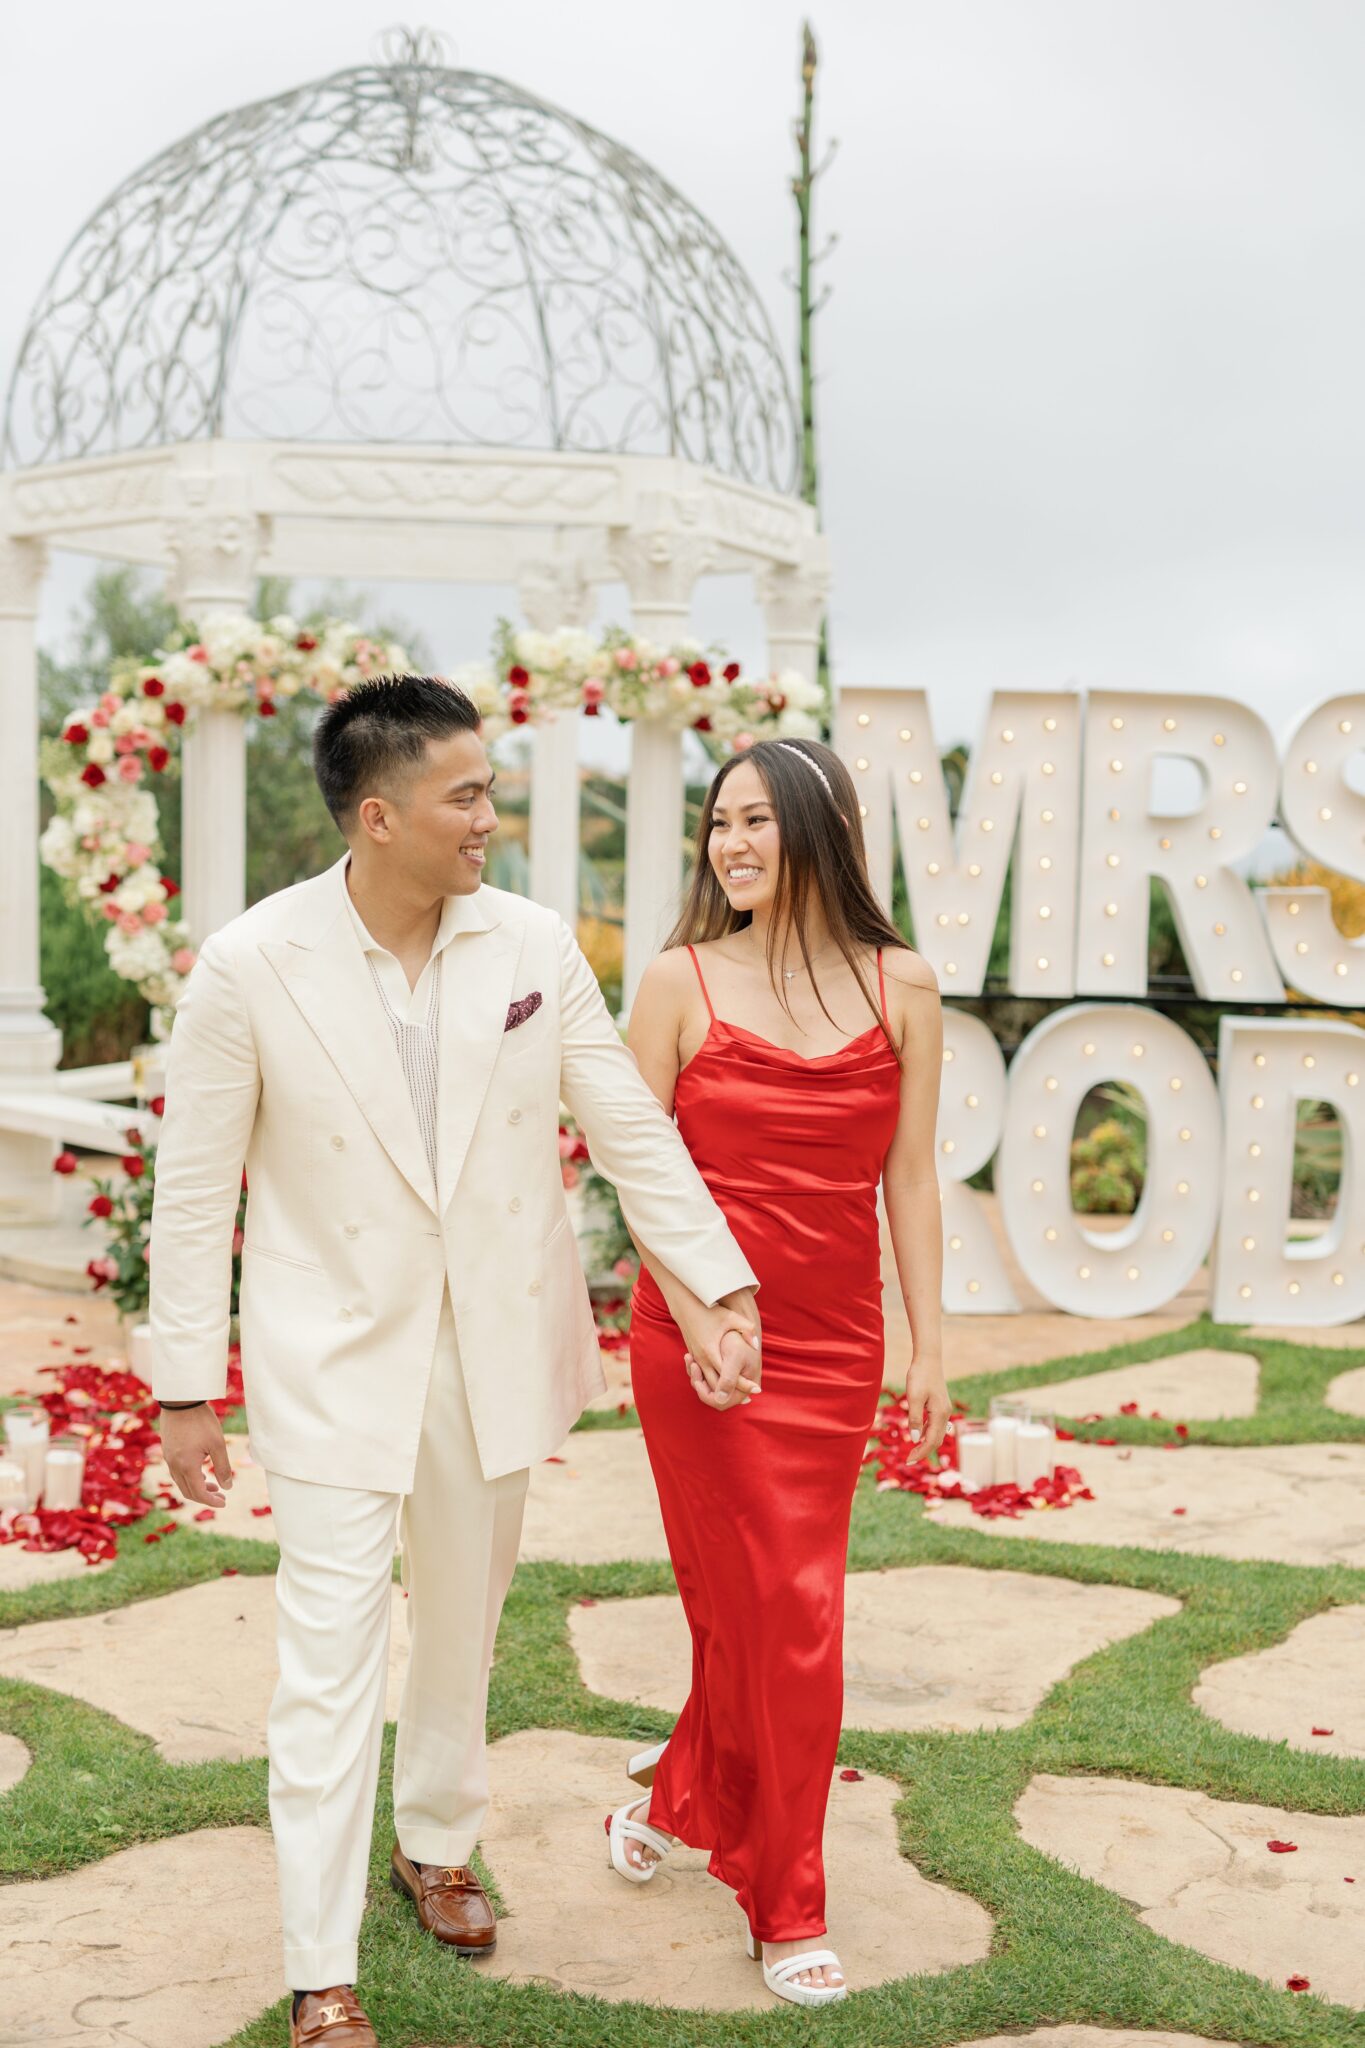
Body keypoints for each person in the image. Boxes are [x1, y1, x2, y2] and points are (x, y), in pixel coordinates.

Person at [149, 674, 762, 2048]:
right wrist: (184, 1383)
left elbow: (630, 1129)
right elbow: (193, 1192)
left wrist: (715, 1282)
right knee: (327, 1659)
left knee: (460, 1637)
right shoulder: (252, 964)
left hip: (491, 1354)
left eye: (490, 789)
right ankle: (321, 1968)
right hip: (329, 1358)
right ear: (380, 816)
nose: (492, 815)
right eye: (465, 796)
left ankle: (434, 1842)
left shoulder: (534, 945)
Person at [607, 737, 948, 2009]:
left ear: (819, 826)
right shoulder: (678, 981)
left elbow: (908, 1174)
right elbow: (642, 1174)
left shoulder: (901, 983)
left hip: (833, 1343)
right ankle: (788, 1899)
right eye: (717, 823)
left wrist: (931, 1339)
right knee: (774, 1609)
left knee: (769, 1607)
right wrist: (700, 1313)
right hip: (704, 1342)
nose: (732, 843)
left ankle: (688, 1791)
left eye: (755, 819)